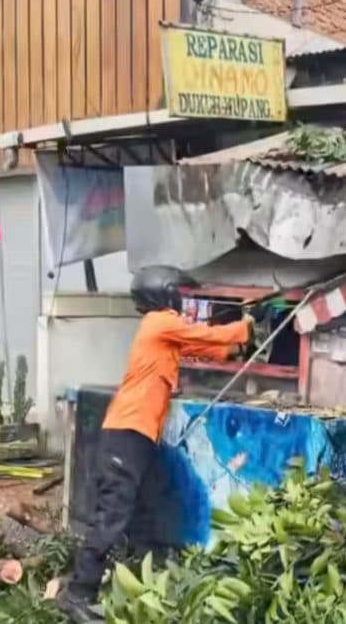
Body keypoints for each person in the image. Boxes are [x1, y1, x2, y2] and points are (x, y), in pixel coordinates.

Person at [57, 266, 254, 622]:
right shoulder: (158, 322)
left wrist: (236, 345)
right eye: (177, 292)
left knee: (133, 511)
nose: (180, 299)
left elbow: (206, 346)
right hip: (126, 433)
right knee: (111, 516)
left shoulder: (163, 333)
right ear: (162, 293)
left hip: (136, 435)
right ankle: (78, 595)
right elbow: (204, 332)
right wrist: (246, 324)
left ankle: (105, 584)